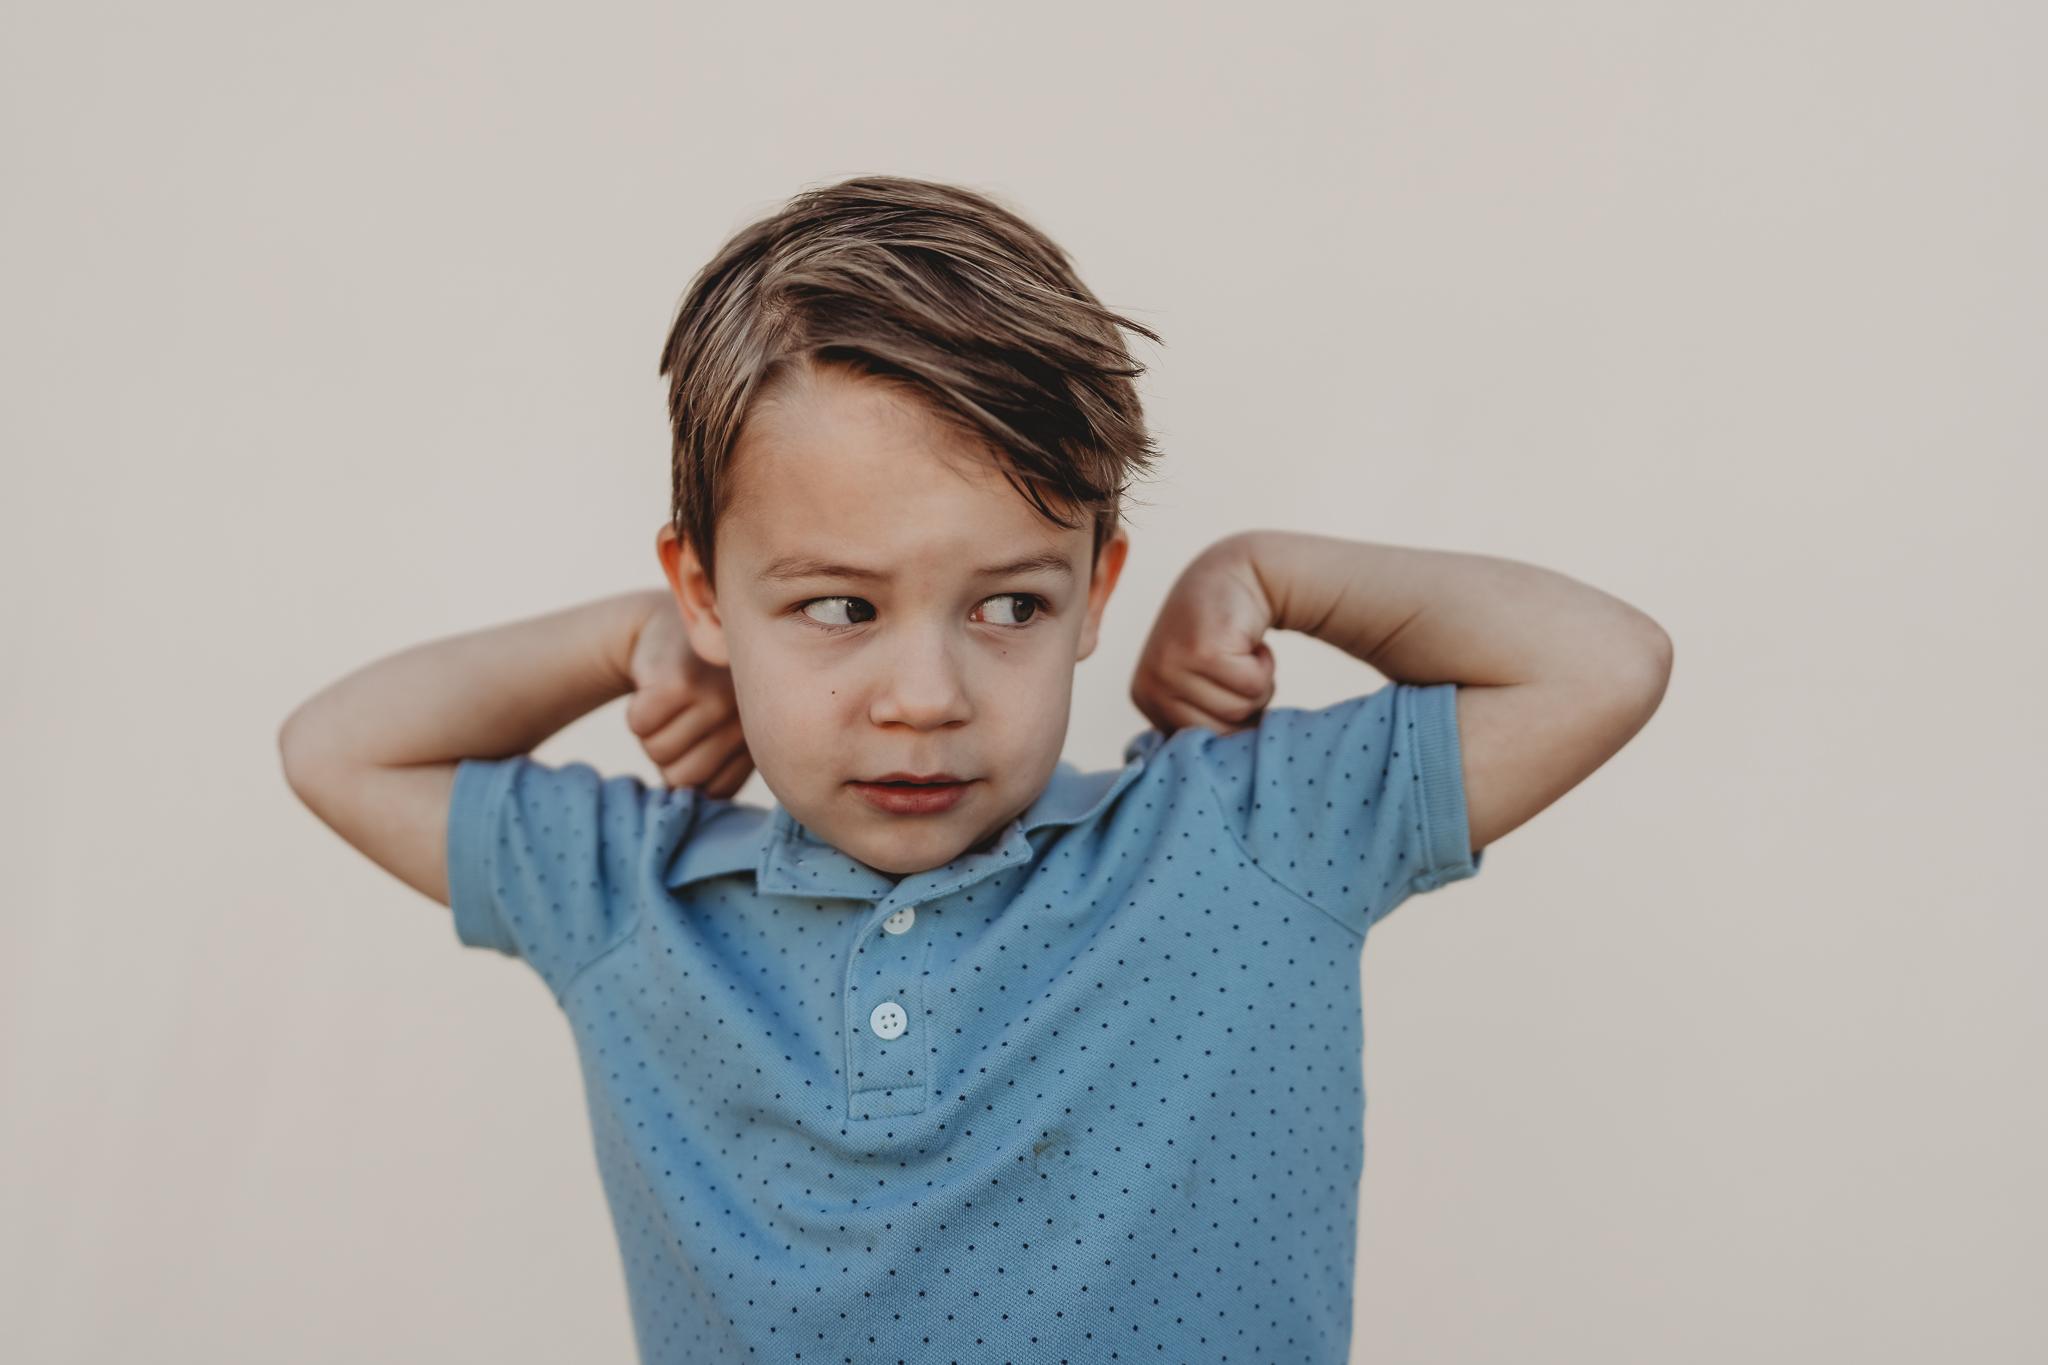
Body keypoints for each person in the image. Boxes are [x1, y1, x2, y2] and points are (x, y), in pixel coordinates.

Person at [281, 176, 1671, 1363]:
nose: (925, 698)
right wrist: (610, 643)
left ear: (1093, 588)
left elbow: (1603, 662)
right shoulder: (633, 898)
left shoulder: (1250, 838)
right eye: (839, 606)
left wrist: (1277, 576)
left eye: (1009, 605)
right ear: (706, 591)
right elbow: (337, 748)